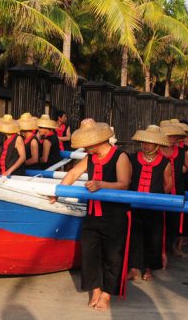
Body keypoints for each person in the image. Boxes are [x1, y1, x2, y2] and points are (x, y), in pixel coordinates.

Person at [49, 119, 131, 312]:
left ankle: (107, 294)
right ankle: (95, 290)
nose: (84, 146)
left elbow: (124, 183)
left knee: (113, 257)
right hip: (93, 214)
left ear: (97, 140)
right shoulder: (90, 157)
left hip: (116, 216)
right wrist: (58, 191)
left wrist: (101, 185)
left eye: (87, 142)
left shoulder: (120, 156)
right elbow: (73, 173)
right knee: (89, 254)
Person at [127, 126, 172, 282]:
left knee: (153, 238)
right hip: (135, 205)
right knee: (134, 235)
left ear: (157, 144)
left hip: (155, 207)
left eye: (149, 143)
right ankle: (133, 268)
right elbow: (129, 178)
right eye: (144, 142)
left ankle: (148, 269)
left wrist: (159, 200)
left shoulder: (165, 163)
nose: (145, 145)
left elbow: (168, 185)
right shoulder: (133, 158)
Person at [159, 121, 188, 259]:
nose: (172, 138)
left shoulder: (180, 152)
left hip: (178, 190)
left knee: (175, 222)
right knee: (160, 222)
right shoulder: (157, 150)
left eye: (174, 135)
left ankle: (171, 248)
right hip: (160, 191)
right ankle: (160, 251)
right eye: (170, 135)